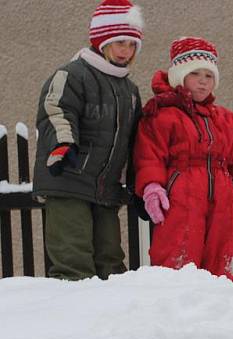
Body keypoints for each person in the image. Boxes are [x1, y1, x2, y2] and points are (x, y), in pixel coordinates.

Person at [133, 37, 233, 282]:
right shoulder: (162, 115)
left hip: (223, 202)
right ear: (179, 76)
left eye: (209, 75)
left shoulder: (224, 119)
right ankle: (174, 307)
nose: (203, 81)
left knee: (222, 261)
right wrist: (152, 188)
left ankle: (219, 309)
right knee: (178, 257)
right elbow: (149, 156)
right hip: (181, 199)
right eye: (195, 73)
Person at [32, 0, 144, 280]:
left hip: (105, 188)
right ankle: (73, 319)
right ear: (102, 40)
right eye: (119, 42)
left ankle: (111, 320)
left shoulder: (129, 90)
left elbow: (134, 142)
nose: (126, 51)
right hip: (68, 178)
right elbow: (55, 109)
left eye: (132, 45)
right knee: (73, 259)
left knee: (110, 261)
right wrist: (63, 144)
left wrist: (138, 184)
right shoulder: (72, 74)